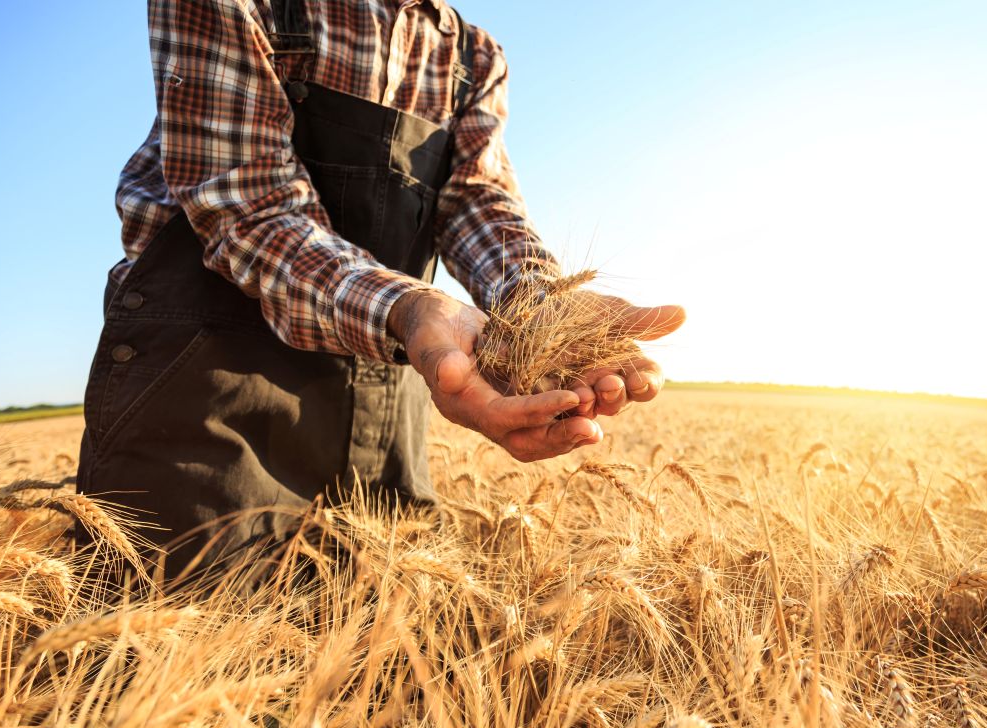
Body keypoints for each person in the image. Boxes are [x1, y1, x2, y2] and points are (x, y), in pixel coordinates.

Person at [76, 0, 685, 579]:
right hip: (208, 396)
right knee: (171, 648)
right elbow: (247, 203)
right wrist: (409, 306)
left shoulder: (474, 57)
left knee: (382, 661)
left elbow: (477, 201)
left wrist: (541, 309)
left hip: (389, 395)